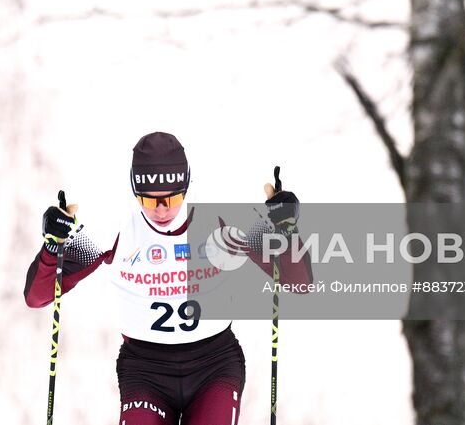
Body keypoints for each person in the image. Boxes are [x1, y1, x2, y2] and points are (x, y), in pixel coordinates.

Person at [23, 131, 311, 424]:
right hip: (145, 372)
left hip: (213, 364)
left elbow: (298, 282)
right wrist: (52, 246)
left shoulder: (221, 218)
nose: (161, 210)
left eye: (171, 198)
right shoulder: (116, 226)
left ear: (186, 186)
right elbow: (38, 296)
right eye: (149, 201)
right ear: (136, 193)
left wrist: (285, 228)